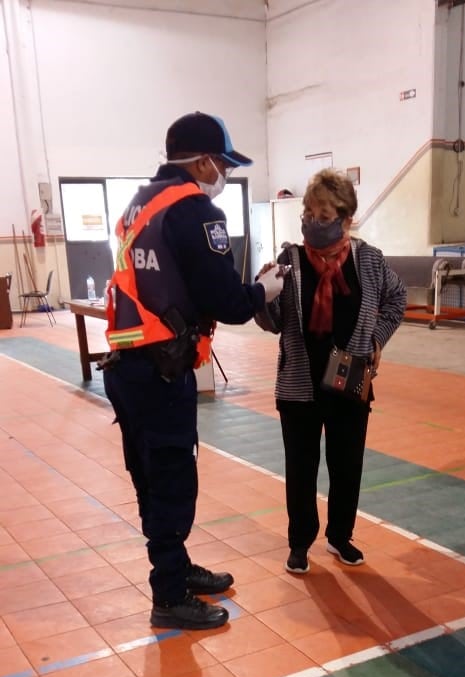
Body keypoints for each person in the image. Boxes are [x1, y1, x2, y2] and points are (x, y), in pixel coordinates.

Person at [103, 111, 285, 630]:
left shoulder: (140, 204)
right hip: (160, 372)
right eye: (222, 164)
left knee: (151, 476)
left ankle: (176, 568)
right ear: (204, 162)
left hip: (128, 366)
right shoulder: (195, 210)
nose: (222, 174)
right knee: (172, 481)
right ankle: (169, 594)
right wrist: (263, 291)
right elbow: (226, 301)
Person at [256, 168, 407, 574]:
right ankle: (299, 542)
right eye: (308, 212)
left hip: (349, 381)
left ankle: (341, 537)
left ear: (346, 217)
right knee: (301, 469)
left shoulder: (369, 261)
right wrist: (263, 295)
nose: (312, 222)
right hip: (299, 384)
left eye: (323, 215)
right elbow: (271, 323)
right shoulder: (289, 260)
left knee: (347, 465)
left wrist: (376, 339)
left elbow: (397, 299)